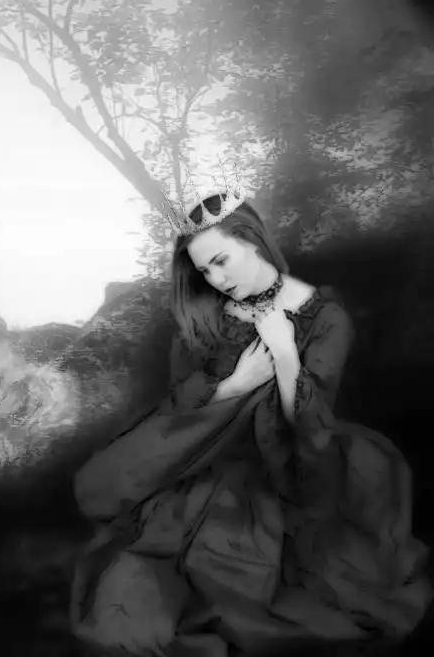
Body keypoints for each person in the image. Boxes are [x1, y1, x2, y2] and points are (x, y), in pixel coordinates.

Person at [70, 190, 431, 656]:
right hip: (208, 465)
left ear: (252, 240)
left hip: (290, 469)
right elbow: (180, 407)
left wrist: (283, 355)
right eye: (205, 271)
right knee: (135, 586)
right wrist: (236, 385)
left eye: (222, 261)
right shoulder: (204, 318)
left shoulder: (325, 317)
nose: (217, 280)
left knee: (263, 583)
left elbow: (310, 426)